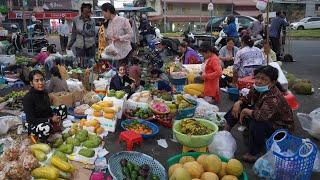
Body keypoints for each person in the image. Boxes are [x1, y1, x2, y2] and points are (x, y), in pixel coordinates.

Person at [224, 65, 294, 162]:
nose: (259, 81)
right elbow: (247, 98)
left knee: (257, 123)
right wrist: (238, 102)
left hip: (280, 128)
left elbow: (261, 116)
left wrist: (246, 111)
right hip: (264, 115)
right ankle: (225, 132)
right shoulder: (257, 87)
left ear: (272, 82)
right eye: (257, 77)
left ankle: (254, 152)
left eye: (264, 79)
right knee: (238, 107)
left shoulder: (274, 97)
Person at [23, 70, 61, 142]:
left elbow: (48, 108)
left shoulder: (45, 93)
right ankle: (41, 140)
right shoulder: (28, 98)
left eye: (42, 80)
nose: (40, 83)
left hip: (46, 118)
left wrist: (54, 115)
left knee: (62, 108)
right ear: (31, 83)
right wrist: (50, 120)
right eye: (37, 81)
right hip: (34, 124)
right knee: (46, 127)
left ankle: (53, 128)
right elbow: (31, 120)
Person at [100, 3, 133, 67]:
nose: (103, 15)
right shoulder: (106, 22)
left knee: (123, 74)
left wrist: (119, 37)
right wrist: (106, 38)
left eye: (103, 13)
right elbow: (106, 36)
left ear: (108, 11)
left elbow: (130, 34)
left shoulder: (123, 21)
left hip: (124, 53)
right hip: (112, 53)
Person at [67, 2, 96, 68]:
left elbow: (92, 33)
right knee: (79, 64)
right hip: (79, 45)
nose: (87, 10)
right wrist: (69, 45)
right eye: (86, 8)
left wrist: (82, 32)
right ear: (82, 10)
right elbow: (74, 34)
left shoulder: (92, 21)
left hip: (90, 45)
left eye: (89, 9)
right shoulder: (76, 20)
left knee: (90, 63)